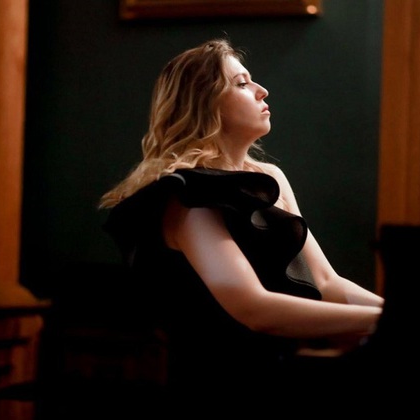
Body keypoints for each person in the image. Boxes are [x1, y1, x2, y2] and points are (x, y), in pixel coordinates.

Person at [99, 38, 383, 408]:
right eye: (242, 83)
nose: (262, 90)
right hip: (223, 387)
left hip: (287, 376)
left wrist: (398, 313)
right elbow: (253, 308)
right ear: (205, 103)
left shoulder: (271, 177)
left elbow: (326, 282)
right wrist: (389, 321)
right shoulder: (188, 198)